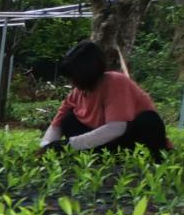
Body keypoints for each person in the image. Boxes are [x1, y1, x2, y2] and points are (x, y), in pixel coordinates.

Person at [40, 40, 172, 161]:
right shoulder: (77, 93)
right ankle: (100, 158)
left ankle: (150, 159)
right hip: (108, 145)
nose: (72, 82)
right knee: (69, 120)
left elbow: (116, 128)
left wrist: (70, 144)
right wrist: (46, 147)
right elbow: (56, 124)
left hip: (132, 139)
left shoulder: (115, 82)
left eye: (74, 77)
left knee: (149, 120)